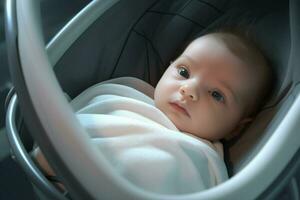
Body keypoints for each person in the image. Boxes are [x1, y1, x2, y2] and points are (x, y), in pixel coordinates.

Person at [32, 30, 272, 194]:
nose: (189, 90)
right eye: (184, 72)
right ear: (168, 67)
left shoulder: (199, 159)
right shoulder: (124, 96)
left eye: (217, 94)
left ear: (237, 127)